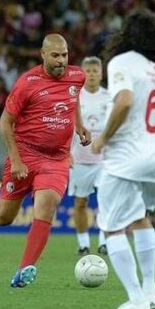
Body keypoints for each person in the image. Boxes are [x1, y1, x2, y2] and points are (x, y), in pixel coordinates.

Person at [91, 9, 155, 309]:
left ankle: (136, 299)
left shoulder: (122, 62)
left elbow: (124, 101)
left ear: (125, 35)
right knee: (141, 218)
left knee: (111, 227)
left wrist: (103, 138)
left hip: (126, 158)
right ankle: (151, 292)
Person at [0, 34, 91, 288]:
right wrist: (15, 160)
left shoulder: (77, 76)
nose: (62, 61)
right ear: (43, 54)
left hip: (57, 159)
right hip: (25, 154)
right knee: (5, 216)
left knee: (47, 205)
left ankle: (25, 268)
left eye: (65, 55)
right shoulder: (27, 83)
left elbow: (73, 97)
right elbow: (5, 123)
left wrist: (79, 124)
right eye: (56, 55)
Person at [68, 56, 110, 256]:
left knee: (106, 200)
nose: (92, 74)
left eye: (95, 71)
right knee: (80, 202)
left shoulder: (110, 97)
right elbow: (67, 129)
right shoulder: (75, 97)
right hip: (80, 159)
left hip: (104, 160)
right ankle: (83, 243)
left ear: (101, 74)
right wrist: (66, 154)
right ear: (82, 73)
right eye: (88, 71)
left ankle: (104, 242)